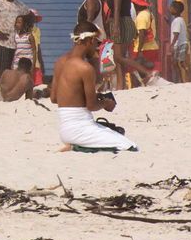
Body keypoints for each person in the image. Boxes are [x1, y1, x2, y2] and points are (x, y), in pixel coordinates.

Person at [50, 22, 137, 152]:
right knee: (130, 146)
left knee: (115, 132)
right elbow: (91, 106)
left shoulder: (60, 62)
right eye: (97, 43)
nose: (97, 47)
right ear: (90, 40)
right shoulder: (85, 68)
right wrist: (106, 103)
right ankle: (78, 147)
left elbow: (54, 98)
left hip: (64, 128)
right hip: (80, 128)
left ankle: (77, 144)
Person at [104, 0, 135, 86]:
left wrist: (116, 27)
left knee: (118, 57)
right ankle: (120, 85)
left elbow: (116, 9)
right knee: (119, 58)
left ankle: (145, 71)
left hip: (121, 23)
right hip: (122, 22)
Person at [131, 0, 159, 84]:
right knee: (148, 71)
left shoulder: (141, 16)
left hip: (144, 48)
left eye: (134, 4)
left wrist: (139, 51)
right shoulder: (148, 13)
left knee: (136, 68)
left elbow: (142, 34)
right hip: (152, 46)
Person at [169, 1, 188, 82]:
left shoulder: (177, 21)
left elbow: (176, 33)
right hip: (182, 44)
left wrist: (172, 45)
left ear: (176, 10)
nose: (170, 9)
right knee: (177, 63)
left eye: (171, 7)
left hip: (179, 45)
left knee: (180, 63)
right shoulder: (180, 20)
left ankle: (186, 79)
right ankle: (181, 80)